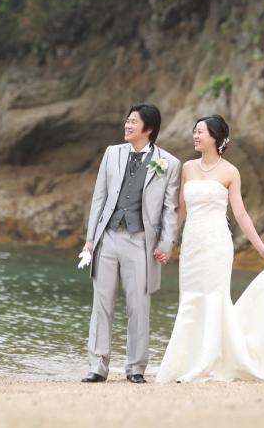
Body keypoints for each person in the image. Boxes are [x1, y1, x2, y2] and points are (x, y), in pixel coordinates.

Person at [156, 114, 264, 383]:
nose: (195, 136)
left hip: (216, 244)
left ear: (215, 137)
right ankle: (184, 361)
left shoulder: (230, 172)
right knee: (190, 298)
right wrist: (166, 243)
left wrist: (260, 248)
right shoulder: (187, 167)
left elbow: (241, 214)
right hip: (192, 244)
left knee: (214, 298)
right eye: (194, 131)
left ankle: (209, 362)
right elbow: (180, 210)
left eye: (200, 131)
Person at [81, 103, 181, 383]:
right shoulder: (112, 153)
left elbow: (169, 209)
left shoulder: (169, 163)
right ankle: (97, 365)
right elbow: (99, 197)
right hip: (108, 237)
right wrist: (91, 238)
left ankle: (136, 367)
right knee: (101, 303)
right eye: (127, 121)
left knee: (139, 306)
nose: (127, 125)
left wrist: (166, 243)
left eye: (133, 122)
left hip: (141, 242)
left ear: (148, 129)